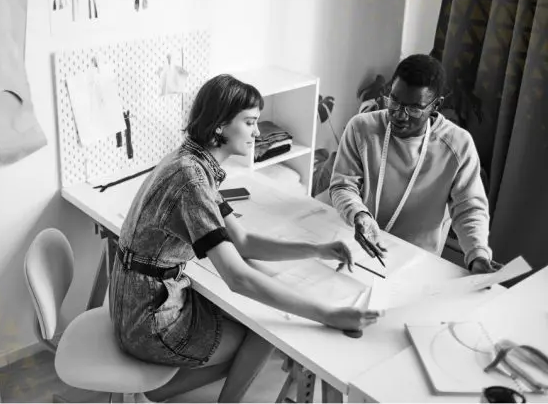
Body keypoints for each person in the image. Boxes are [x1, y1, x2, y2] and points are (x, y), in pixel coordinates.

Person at [109, 74, 383, 403]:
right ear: (221, 126)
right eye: (250, 122)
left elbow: (243, 241)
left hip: (136, 301)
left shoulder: (192, 161)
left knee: (257, 314)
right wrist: (328, 314)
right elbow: (237, 277)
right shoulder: (192, 180)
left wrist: (317, 248)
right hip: (149, 319)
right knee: (268, 326)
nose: (258, 131)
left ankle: (165, 391)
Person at [330, 54, 501, 274]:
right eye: (394, 101)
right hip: (360, 248)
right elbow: (343, 185)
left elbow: (469, 208)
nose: (400, 115)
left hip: (417, 263)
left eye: (413, 108)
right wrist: (358, 215)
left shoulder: (457, 145)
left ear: (436, 105)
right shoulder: (362, 128)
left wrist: (478, 254)